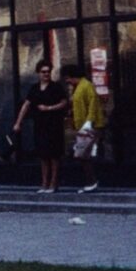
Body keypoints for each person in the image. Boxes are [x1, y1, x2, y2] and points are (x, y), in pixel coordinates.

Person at [12, 62, 70, 194]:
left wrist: (49, 108)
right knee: (43, 155)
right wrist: (18, 122)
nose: (46, 74)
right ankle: (44, 183)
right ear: (38, 73)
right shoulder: (34, 88)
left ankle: (53, 183)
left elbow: (64, 103)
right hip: (40, 125)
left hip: (54, 124)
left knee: (54, 155)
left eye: (48, 71)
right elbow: (26, 105)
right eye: (43, 72)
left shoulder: (56, 87)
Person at [62, 61, 105, 193]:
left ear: (72, 76)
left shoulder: (86, 86)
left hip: (90, 126)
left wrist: (89, 121)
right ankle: (91, 181)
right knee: (83, 154)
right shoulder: (79, 87)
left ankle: (92, 181)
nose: (67, 81)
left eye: (67, 78)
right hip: (83, 125)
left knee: (83, 154)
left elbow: (93, 104)